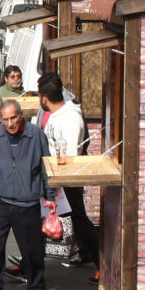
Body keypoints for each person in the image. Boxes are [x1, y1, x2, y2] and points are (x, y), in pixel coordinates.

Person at [0, 97, 51, 290]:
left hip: (27, 204)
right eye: (5, 119)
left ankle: (37, 289)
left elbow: (46, 168)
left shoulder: (36, 135)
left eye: (13, 118)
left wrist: (50, 196)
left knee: (31, 250)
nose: (10, 124)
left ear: (21, 116)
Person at [36, 71, 100, 277]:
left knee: (79, 221)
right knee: (42, 219)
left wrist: (57, 183)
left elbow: (71, 154)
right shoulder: (59, 115)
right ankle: (30, 263)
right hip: (54, 178)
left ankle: (102, 265)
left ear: (44, 98)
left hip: (64, 181)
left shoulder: (71, 118)